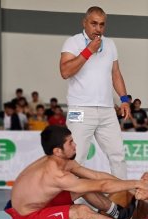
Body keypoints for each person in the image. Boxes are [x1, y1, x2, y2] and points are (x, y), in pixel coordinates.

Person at [4, 125, 148, 219]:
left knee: (85, 185)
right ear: (57, 151)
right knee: (82, 211)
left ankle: (120, 214)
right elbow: (103, 186)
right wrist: (137, 184)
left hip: (39, 205)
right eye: (70, 143)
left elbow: (96, 176)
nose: (75, 145)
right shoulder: (57, 175)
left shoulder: (62, 161)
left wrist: (131, 184)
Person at [60, 6, 130, 179]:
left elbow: (116, 73)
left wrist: (124, 99)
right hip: (80, 109)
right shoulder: (73, 42)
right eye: (94, 24)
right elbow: (65, 71)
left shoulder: (110, 44)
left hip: (106, 110)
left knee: (118, 155)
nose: (98, 29)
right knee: (76, 157)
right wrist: (88, 50)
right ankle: (73, 202)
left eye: (102, 24)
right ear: (84, 23)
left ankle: (121, 201)